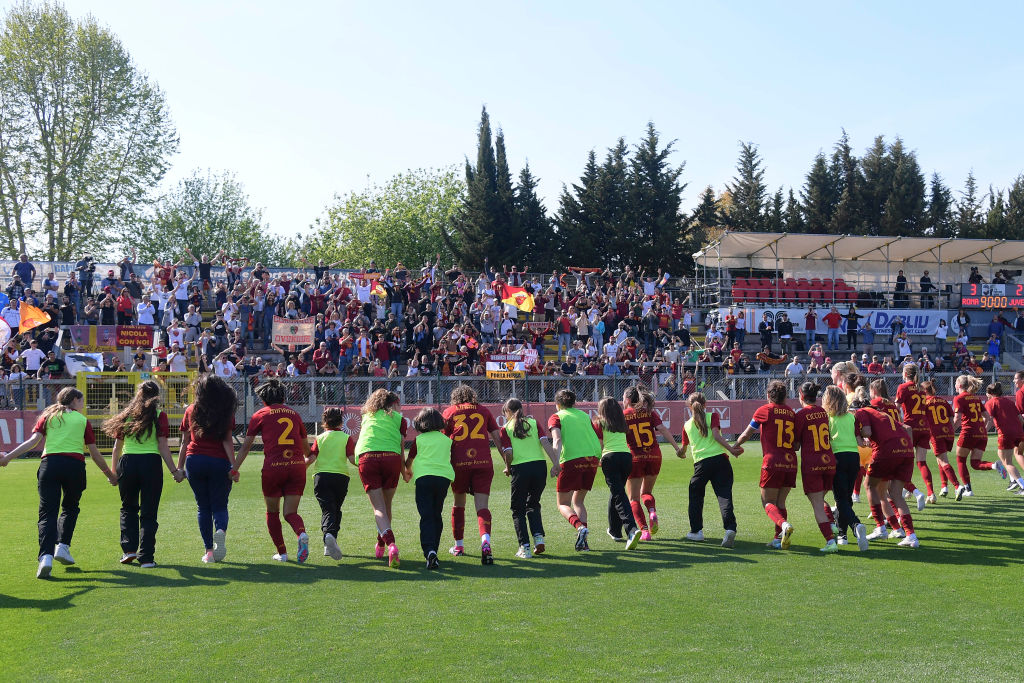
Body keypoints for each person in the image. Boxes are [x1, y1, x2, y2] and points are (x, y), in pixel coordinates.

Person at [0, 387, 118, 578]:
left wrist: (8, 458)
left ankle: (45, 556)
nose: (83, 405)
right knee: (70, 507)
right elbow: (94, 453)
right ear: (73, 401)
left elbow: (32, 442)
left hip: (50, 465)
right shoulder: (82, 420)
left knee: (47, 512)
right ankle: (62, 546)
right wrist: (110, 474)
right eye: (81, 401)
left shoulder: (48, 416)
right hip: (74, 466)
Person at [104, 381, 184, 568]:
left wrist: (114, 473)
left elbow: (117, 448)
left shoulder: (126, 415)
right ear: (157, 396)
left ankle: (129, 550)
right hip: (151, 464)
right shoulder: (159, 415)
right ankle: (147, 557)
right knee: (149, 511)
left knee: (128, 508)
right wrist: (174, 471)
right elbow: (163, 446)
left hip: (128, 463)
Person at [234, 379, 311, 563]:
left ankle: (282, 553)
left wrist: (234, 469)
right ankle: (301, 534)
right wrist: (310, 456)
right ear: (283, 397)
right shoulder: (294, 414)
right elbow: (306, 447)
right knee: (291, 513)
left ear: (263, 399)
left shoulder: (260, 414)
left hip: (273, 469)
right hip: (296, 467)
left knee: (272, 512)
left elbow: (245, 447)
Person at [441, 385, 506, 564]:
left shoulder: (449, 412)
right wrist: (506, 462)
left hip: (459, 463)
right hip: (483, 462)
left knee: (458, 503)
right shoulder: (483, 410)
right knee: (482, 506)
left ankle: (459, 546)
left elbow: (442, 440)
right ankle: (485, 542)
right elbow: (497, 437)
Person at [176, 374, 238, 564]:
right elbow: (228, 441)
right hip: (219, 461)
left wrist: (179, 467)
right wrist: (234, 467)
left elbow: (185, 442)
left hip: (195, 461)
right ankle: (220, 530)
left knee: (203, 507)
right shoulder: (225, 412)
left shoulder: (191, 410)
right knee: (220, 505)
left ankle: (209, 552)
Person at [854, 382, 920, 547]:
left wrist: (861, 437)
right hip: (906, 451)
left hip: (886, 451)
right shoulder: (883, 414)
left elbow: (867, 432)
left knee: (869, 485)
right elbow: (908, 428)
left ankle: (880, 527)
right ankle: (910, 535)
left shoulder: (862, 412)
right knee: (895, 494)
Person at [498, 399, 560, 559]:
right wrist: (555, 464)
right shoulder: (533, 422)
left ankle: (524, 547)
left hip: (521, 469)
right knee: (533, 504)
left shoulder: (506, 428)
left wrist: (508, 467)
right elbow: (546, 443)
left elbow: (509, 453)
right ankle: (538, 537)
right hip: (539, 467)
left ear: (508, 412)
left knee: (517, 509)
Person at [680, 392, 741, 546]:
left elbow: (683, 449)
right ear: (705, 404)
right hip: (720, 460)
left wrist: (679, 453)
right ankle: (730, 529)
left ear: (689, 406)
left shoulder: (686, 425)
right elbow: (716, 436)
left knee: (695, 495)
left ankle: (696, 531)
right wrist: (732, 450)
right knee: (724, 495)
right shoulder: (712, 416)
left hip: (701, 464)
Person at [354, 389, 406, 568]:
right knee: (386, 506)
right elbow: (401, 447)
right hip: (391, 459)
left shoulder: (368, 416)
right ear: (393, 404)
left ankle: (391, 544)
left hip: (367, 458)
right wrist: (404, 470)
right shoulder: (399, 419)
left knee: (378, 508)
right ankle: (382, 543)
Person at [621, 385, 680, 541]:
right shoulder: (649, 412)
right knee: (646, 492)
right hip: (654, 456)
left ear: (627, 399)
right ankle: (652, 510)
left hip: (634, 458)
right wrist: (676, 448)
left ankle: (644, 531)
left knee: (633, 498)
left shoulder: (624, 415)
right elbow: (663, 429)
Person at [547, 389, 601, 551]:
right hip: (591, 460)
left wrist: (555, 462)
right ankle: (584, 543)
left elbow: (556, 440)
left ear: (557, 404)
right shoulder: (584, 415)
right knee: (578, 501)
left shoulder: (556, 416)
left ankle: (579, 527)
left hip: (572, 461)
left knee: (562, 504)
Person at [403, 407, 455, 570]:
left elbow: (409, 460)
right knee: (436, 513)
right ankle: (434, 549)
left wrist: (408, 471)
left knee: (426, 515)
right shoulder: (446, 440)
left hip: (424, 478)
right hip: (443, 478)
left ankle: (430, 551)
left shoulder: (419, 440)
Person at [792, 382, 839, 553]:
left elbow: (796, 445)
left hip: (812, 463)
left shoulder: (801, 414)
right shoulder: (823, 412)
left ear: (801, 396)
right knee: (819, 498)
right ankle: (832, 525)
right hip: (829, 461)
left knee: (817, 503)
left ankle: (830, 541)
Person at [591, 397, 643, 550]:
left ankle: (631, 529)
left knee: (619, 494)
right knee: (617, 492)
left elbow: (599, 443)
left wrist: (597, 459)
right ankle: (615, 531)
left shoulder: (599, 422)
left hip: (610, 458)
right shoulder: (621, 422)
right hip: (626, 458)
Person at [305, 407, 355, 560]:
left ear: (324, 422)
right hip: (341, 477)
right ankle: (330, 539)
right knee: (336, 510)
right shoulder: (347, 438)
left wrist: (298, 468)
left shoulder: (319, 438)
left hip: (321, 477)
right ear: (341, 422)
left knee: (328, 510)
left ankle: (328, 537)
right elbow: (353, 459)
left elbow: (311, 459)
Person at [822, 386, 869, 551]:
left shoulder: (827, 417)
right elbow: (859, 439)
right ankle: (843, 534)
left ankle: (856, 525)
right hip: (853, 457)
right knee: (846, 498)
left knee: (841, 499)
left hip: (838, 457)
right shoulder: (851, 417)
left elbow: (825, 440)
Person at [952, 375, 1006, 499]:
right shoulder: (976, 398)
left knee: (961, 461)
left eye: (955, 383)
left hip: (968, 433)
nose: (955, 385)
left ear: (959, 385)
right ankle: (994, 465)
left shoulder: (959, 398)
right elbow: (988, 418)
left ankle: (968, 489)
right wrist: (983, 431)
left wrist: (951, 431)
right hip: (981, 434)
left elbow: (958, 419)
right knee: (975, 463)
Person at [894, 364, 934, 507]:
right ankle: (931, 493)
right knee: (921, 462)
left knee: (905, 461)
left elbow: (896, 409)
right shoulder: (921, 389)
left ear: (905, 374)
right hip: (924, 427)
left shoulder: (903, 387)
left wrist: (898, 424)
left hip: (910, 427)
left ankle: (909, 490)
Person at [920, 380, 962, 498]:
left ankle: (957, 486)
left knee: (943, 460)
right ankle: (944, 487)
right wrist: (950, 430)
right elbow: (951, 418)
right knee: (941, 459)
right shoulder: (943, 401)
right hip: (947, 433)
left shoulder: (925, 403)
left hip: (935, 433)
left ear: (924, 391)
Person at [983, 383, 1024, 494]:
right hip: (1020, 433)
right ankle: (1013, 479)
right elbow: (1020, 419)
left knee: (1007, 461)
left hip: (1006, 434)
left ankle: (1021, 484)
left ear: (990, 393)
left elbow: (989, 420)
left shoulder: (990, 403)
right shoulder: (1009, 402)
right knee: (1017, 455)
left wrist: (983, 432)